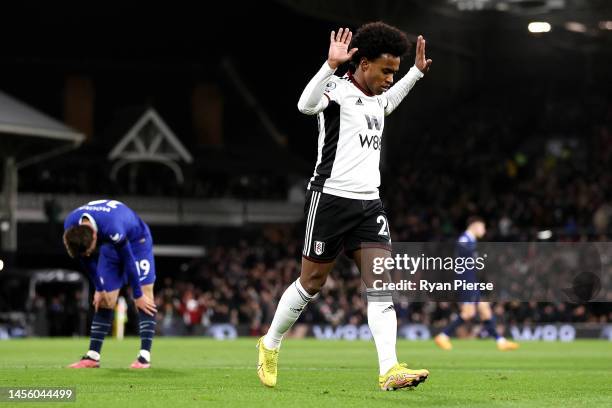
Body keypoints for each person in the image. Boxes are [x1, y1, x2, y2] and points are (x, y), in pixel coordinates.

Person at [257, 22, 432, 390]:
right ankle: (270, 342)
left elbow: (387, 103)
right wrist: (329, 66)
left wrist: (414, 74)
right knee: (312, 283)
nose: (389, 78)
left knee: (381, 286)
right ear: (363, 64)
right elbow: (305, 105)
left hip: (370, 205)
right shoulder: (336, 90)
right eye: (386, 70)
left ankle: (390, 369)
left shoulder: (377, 100)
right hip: (330, 200)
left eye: (394, 72)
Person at [63, 199, 157, 368]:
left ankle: (144, 357)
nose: (89, 253)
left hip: (137, 242)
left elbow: (128, 260)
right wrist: (99, 288)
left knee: (145, 296)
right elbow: (85, 258)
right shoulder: (71, 226)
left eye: (91, 249)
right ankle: (92, 357)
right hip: (110, 245)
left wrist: (137, 294)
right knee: (105, 298)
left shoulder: (112, 227)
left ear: (94, 236)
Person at [434, 216, 519, 351]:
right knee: (468, 313)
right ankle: (443, 336)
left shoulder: (471, 241)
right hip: (466, 281)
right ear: (475, 225)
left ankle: (500, 341)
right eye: (483, 227)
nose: (484, 231)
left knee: (485, 310)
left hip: (471, 281)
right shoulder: (465, 240)